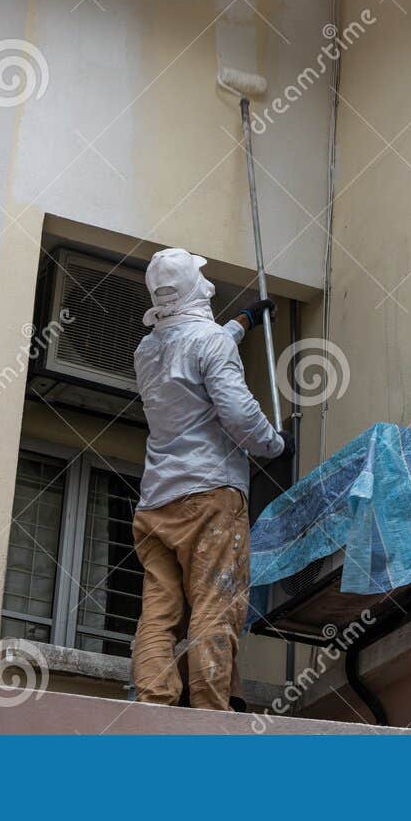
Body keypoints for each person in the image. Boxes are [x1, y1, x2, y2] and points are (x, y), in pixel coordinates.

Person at [129, 247, 291, 710]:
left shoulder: (147, 351)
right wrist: (274, 445)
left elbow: (189, 349)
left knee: (159, 613)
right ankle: (210, 713)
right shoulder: (208, 343)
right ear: (196, 287)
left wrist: (241, 323)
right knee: (215, 605)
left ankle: (155, 703)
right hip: (210, 496)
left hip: (156, 503)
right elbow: (238, 414)